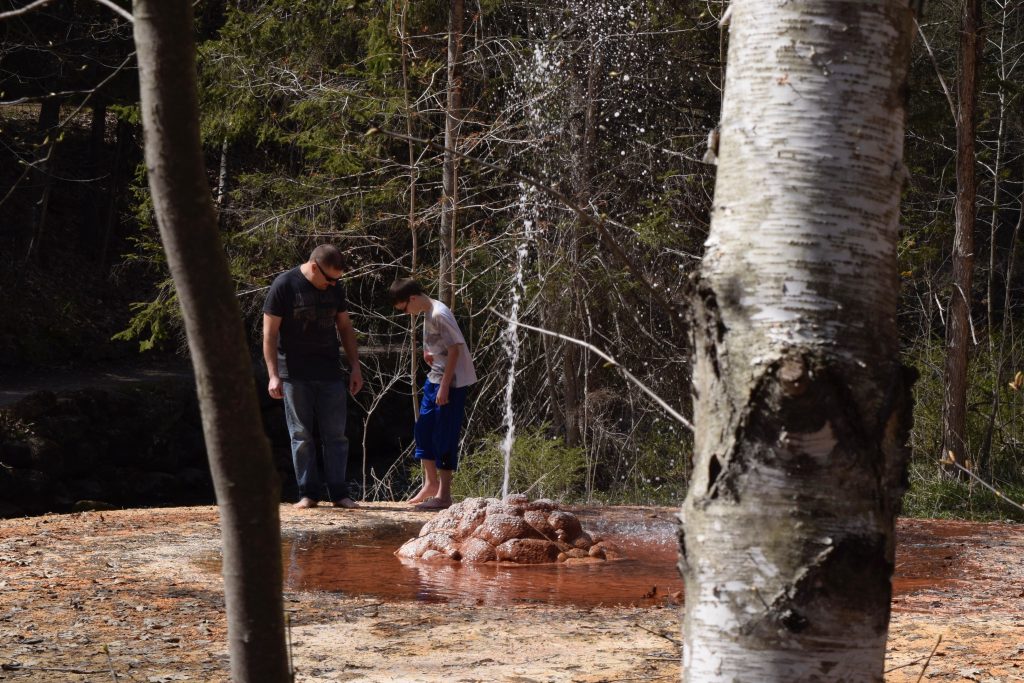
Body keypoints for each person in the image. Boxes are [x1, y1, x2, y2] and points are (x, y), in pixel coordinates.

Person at [263, 245, 364, 509]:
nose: (332, 284)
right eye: (329, 279)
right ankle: (308, 493)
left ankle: (339, 493)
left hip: (329, 371)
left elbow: (344, 326)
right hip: (295, 374)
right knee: (301, 435)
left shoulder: (334, 287)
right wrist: (273, 375)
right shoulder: (284, 285)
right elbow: (270, 334)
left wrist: (355, 366)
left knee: (336, 436)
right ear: (314, 267)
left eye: (337, 280)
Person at [389, 278, 477, 511]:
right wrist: (429, 351)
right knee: (423, 428)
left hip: (451, 383)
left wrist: (446, 386)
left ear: (413, 298)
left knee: (443, 435)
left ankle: (444, 495)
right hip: (434, 378)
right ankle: (430, 484)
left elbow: (456, 349)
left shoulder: (439, 313)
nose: (407, 313)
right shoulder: (428, 312)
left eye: (405, 308)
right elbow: (442, 344)